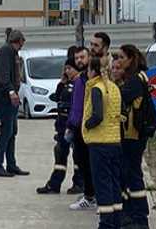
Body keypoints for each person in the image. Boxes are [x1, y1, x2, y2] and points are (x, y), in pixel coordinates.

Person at [83, 55, 124, 229]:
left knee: (103, 184)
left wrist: (87, 123)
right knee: (115, 183)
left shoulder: (97, 88)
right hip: (115, 141)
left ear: (92, 71)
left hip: (99, 142)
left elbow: (98, 115)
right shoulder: (114, 87)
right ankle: (116, 221)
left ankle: (106, 224)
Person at [118, 44, 151, 229]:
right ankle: (131, 213)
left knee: (133, 175)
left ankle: (140, 217)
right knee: (128, 174)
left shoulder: (135, 80)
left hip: (133, 135)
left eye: (122, 57)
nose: (119, 60)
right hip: (132, 134)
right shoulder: (136, 77)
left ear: (131, 59)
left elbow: (120, 98)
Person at [37, 59, 83, 194]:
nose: (67, 71)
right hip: (62, 125)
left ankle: (79, 183)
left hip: (73, 125)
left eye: (70, 68)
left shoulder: (79, 84)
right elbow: (57, 97)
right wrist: (62, 83)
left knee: (78, 157)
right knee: (60, 154)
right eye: (66, 68)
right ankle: (54, 184)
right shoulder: (66, 84)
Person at [0, 30, 29, 178]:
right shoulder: (6, 51)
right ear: (18, 41)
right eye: (22, 43)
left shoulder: (12, 53)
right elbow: (3, 75)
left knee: (12, 131)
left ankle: (11, 164)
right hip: (5, 99)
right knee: (7, 131)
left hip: (9, 98)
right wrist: (11, 92)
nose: (22, 46)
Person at [67, 47, 98, 210]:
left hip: (87, 128)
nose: (79, 60)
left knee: (90, 164)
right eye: (77, 58)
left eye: (82, 57)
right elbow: (75, 105)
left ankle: (92, 196)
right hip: (77, 127)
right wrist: (70, 125)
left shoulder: (92, 80)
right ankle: (89, 194)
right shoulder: (80, 79)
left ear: (89, 58)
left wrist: (86, 124)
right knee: (82, 163)